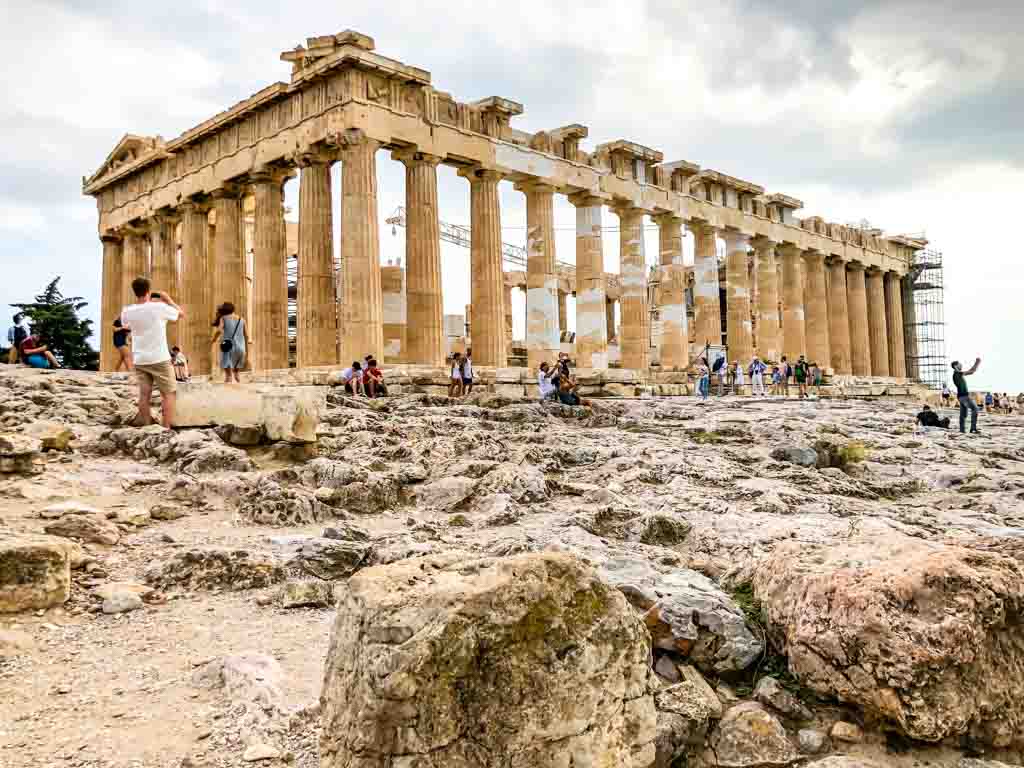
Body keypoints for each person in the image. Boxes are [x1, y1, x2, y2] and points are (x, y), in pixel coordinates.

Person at [120, 277, 183, 429]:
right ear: (148, 291)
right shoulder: (159, 307)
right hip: (159, 357)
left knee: (144, 394)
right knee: (169, 393)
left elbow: (125, 325)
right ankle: (166, 427)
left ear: (135, 292)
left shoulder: (127, 311)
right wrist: (168, 300)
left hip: (140, 358)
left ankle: (147, 425)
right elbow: (181, 314)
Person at [210, 302, 249, 384]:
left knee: (228, 376)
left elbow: (219, 330)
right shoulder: (242, 319)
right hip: (240, 348)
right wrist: (246, 349)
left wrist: (213, 339)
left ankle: (228, 391)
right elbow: (247, 335)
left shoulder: (223, 318)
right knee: (237, 374)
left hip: (228, 347)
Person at [951, 358, 982, 434]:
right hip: (964, 396)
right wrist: (977, 362)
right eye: (959, 364)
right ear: (955, 366)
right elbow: (971, 371)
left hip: (961, 396)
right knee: (975, 409)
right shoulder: (957, 374)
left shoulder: (957, 374)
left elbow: (970, 371)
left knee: (963, 414)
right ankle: (973, 428)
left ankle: (962, 430)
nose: (961, 365)